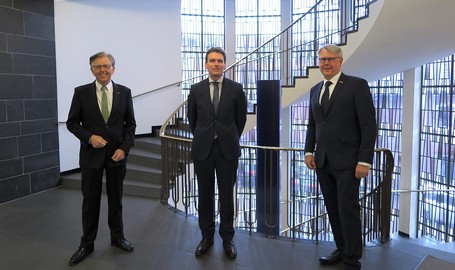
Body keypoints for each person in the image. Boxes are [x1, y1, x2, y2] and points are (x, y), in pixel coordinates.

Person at [304, 44, 377, 270]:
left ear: (340, 61)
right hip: (323, 161)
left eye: (331, 59)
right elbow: (313, 124)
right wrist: (308, 151)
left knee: (348, 210)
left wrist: (364, 161)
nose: (326, 63)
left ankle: (352, 258)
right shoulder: (315, 89)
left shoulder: (356, 85)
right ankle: (341, 248)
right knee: (333, 209)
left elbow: (368, 126)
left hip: (349, 162)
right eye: (322, 59)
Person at [66, 52, 136, 266]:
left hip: (116, 156)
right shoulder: (81, 92)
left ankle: (117, 237)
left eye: (107, 66)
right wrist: (89, 137)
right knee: (90, 202)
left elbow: (130, 125)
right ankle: (87, 243)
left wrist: (124, 149)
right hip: (91, 156)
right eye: (98, 67)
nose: (103, 70)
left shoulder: (124, 92)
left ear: (114, 68)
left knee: (116, 200)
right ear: (92, 70)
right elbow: (72, 123)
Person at [187, 47, 247, 259]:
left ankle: (228, 238)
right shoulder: (195, 89)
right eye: (212, 60)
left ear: (225, 64)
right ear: (206, 64)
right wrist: (206, 136)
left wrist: (227, 137)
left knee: (226, 196)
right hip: (203, 149)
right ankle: (206, 236)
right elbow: (192, 120)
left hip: (227, 151)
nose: (216, 64)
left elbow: (241, 120)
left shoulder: (236, 89)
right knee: (204, 194)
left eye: (220, 61)